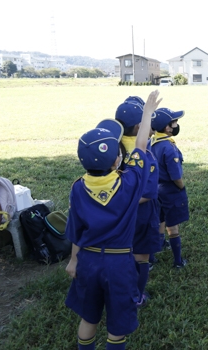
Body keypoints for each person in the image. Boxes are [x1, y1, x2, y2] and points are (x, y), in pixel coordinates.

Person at [65, 90, 161, 350]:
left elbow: (76, 229)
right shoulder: (129, 183)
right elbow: (140, 148)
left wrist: (73, 260)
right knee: (117, 325)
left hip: (87, 260)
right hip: (119, 263)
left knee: (88, 317)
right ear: (118, 160)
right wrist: (148, 113)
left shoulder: (77, 188)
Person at [115, 97, 161, 306]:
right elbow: (149, 192)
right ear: (139, 127)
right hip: (142, 213)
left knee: (125, 252)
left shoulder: (115, 151)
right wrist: (148, 112)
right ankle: (137, 296)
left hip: (120, 214)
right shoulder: (141, 154)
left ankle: (122, 289)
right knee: (142, 257)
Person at [150, 107, 188, 269]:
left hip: (155, 190)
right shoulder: (169, 147)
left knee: (158, 221)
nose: (176, 124)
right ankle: (178, 261)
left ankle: (152, 258)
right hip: (170, 191)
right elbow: (176, 176)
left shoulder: (152, 143)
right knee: (173, 227)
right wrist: (182, 187)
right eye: (174, 122)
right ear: (167, 128)